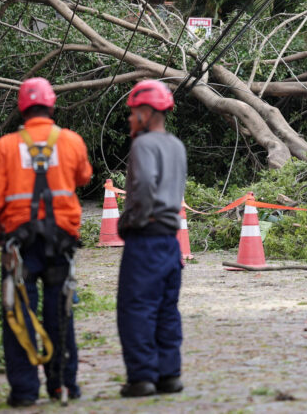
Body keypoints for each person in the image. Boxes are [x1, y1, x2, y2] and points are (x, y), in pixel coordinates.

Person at [0, 77, 93, 406]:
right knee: (60, 313)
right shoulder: (70, 141)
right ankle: (63, 386)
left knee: (19, 313)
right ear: (51, 105)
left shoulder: (5, 147)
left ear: (22, 109)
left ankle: (25, 391)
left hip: (19, 245)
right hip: (60, 242)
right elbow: (84, 176)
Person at [117, 79, 187, 398]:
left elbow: (145, 184)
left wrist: (135, 218)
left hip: (145, 239)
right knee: (166, 308)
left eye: (132, 113)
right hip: (170, 241)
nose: (130, 118)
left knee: (137, 307)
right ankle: (169, 374)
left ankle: (142, 377)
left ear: (145, 113)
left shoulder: (142, 146)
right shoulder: (176, 146)